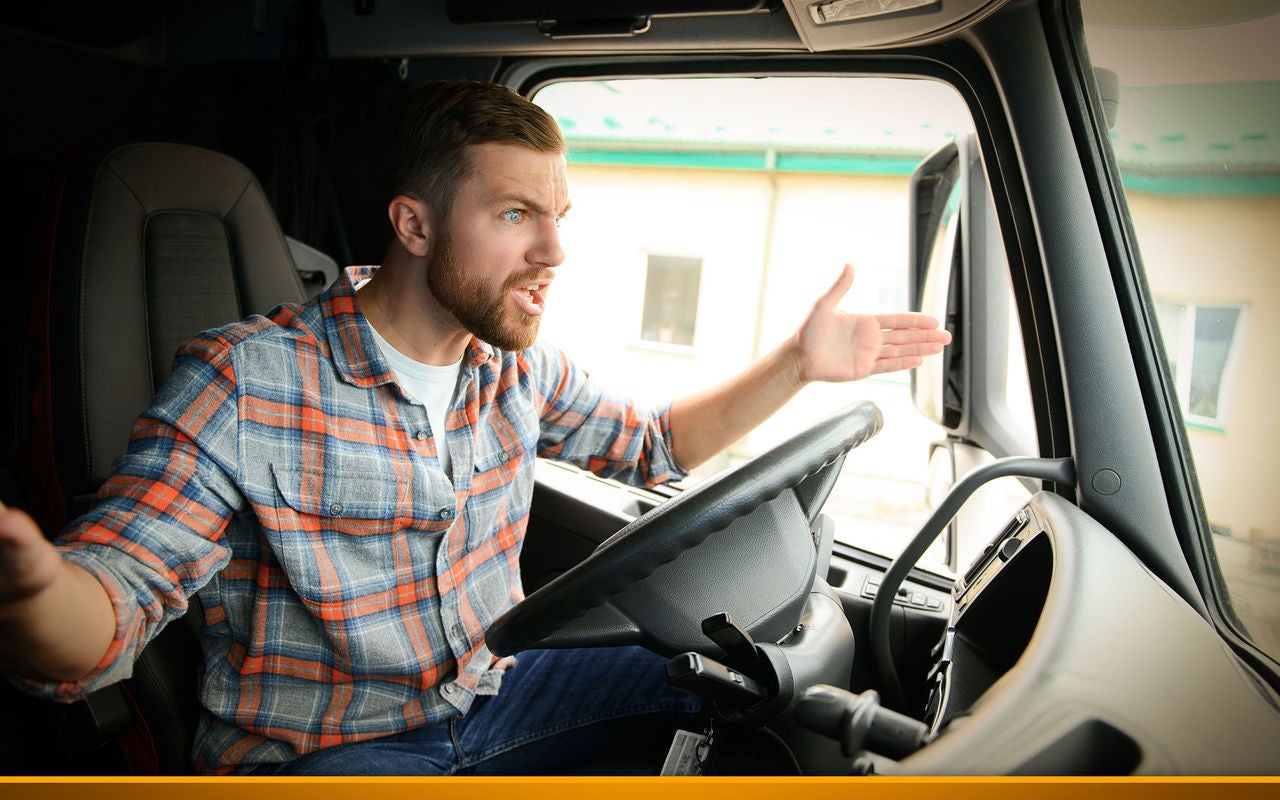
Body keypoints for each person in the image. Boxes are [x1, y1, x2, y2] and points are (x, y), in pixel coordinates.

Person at [0, 79, 949, 775]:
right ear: (413, 226)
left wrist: (798, 362)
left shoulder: (514, 366)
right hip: (327, 754)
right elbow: (113, 599)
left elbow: (654, 443)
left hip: (496, 695)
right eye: (515, 214)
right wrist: (38, 591)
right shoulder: (244, 383)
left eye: (559, 214)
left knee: (752, 690)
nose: (555, 250)